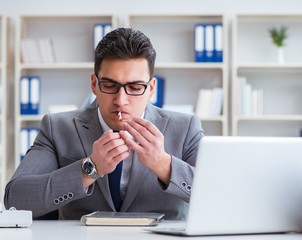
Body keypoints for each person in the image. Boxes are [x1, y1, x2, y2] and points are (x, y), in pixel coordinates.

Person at [4, 28, 204, 220]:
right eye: (109, 86)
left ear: (151, 88)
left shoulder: (186, 128)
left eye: (135, 87)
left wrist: (163, 164)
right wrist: (89, 168)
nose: (121, 100)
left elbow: (219, 195)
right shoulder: (57, 127)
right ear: (94, 84)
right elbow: (16, 199)